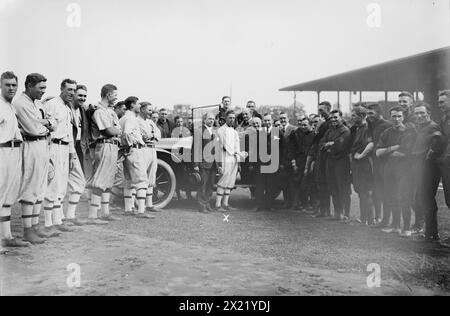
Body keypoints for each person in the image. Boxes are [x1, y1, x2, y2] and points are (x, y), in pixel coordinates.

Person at [13, 73, 58, 243]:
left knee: (40, 186)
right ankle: (27, 229)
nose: (43, 92)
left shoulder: (38, 103)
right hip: (30, 145)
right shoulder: (20, 103)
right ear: (30, 86)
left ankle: (35, 226)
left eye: (44, 88)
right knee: (30, 186)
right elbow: (33, 129)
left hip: (43, 145)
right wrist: (45, 123)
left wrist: (45, 122)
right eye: (40, 88)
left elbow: (54, 123)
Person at [43, 79, 79, 232]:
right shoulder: (52, 104)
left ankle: (57, 220)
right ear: (62, 89)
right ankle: (47, 223)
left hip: (65, 147)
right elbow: (45, 127)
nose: (71, 93)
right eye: (69, 89)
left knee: (61, 185)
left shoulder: (67, 107)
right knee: (52, 184)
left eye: (73, 90)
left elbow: (69, 133)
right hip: (54, 146)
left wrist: (72, 154)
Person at [0, 71, 30, 252]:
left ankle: (7, 236)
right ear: (1, 86)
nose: (11, 88)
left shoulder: (10, 107)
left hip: (13, 151)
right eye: (7, 85)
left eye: (14, 85)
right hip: (2, 151)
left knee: (8, 197)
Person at [376, 107, 416, 236]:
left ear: (403, 117)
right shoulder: (387, 132)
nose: (396, 119)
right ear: (390, 117)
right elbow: (377, 153)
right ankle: (396, 226)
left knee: (404, 197)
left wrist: (387, 151)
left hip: (404, 169)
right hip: (389, 168)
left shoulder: (409, 132)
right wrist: (394, 147)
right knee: (391, 196)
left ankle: (406, 228)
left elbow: (403, 153)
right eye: (393, 116)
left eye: (399, 116)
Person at [86, 84, 121, 224]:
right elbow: (109, 131)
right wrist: (117, 129)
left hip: (112, 146)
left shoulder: (109, 111)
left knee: (107, 181)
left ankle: (105, 213)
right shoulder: (99, 111)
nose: (116, 98)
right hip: (104, 145)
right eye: (115, 95)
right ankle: (93, 215)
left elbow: (116, 129)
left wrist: (116, 129)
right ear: (108, 95)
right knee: (100, 181)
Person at [420, 90, 450, 243]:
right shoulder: (444, 118)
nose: (440, 105)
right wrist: (435, 138)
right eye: (438, 102)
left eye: (442, 102)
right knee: (430, 195)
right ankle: (431, 233)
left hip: (446, 162)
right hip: (441, 162)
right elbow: (442, 138)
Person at [119, 96, 155, 219]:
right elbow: (126, 133)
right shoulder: (130, 118)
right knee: (141, 180)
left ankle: (128, 209)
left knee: (129, 181)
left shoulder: (124, 117)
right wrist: (130, 145)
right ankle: (141, 210)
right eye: (138, 104)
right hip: (134, 150)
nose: (139, 106)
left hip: (127, 151)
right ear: (132, 105)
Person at [410, 102, 441, 235]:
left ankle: (432, 232)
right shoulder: (420, 127)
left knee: (427, 199)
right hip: (419, 168)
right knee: (419, 199)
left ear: (429, 113)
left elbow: (435, 146)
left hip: (429, 169)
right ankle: (426, 229)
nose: (419, 115)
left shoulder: (433, 127)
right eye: (417, 113)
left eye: (422, 112)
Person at [320, 109, 352, 221]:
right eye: (332, 118)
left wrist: (330, 145)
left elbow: (339, 147)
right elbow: (321, 144)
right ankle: (337, 213)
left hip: (341, 163)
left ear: (341, 118)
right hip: (330, 162)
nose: (333, 120)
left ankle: (346, 214)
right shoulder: (329, 131)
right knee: (333, 187)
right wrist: (329, 144)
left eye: (336, 117)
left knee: (343, 188)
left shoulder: (345, 131)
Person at [214, 110, 246, 211]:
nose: (232, 120)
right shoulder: (220, 131)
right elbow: (220, 147)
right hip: (225, 158)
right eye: (230, 118)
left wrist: (240, 157)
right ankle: (218, 205)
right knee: (223, 180)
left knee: (230, 182)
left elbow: (237, 148)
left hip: (234, 159)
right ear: (226, 118)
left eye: (233, 118)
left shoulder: (235, 132)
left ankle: (225, 203)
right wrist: (219, 163)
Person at [366, 103, 391, 226]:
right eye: (367, 113)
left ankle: (386, 219)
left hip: (386, 163)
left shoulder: (387, 125)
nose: (368, 115)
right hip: (375, 163)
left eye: (371, 113)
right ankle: (378, 218)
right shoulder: (372, 125)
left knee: (387, 191)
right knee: (377, 191)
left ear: (379, 113)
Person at [350, 107, 375, 225]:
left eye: (354, 115)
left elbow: (371, 143)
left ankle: (369, 220)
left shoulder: (367, 128)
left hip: (364, 164)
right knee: (360, 191)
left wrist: (361, 156)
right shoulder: (357, 128)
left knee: (366, 192)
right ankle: (364, 218)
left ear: (361, 116)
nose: (352, 117)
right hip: (357, 165)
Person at [137, 101, 161, 213]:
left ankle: (149, 204)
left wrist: (153, 135)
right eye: (149, 109)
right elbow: (145, 135)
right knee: (142, 176)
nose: (150, 112)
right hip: (143, 149)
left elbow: (158, 134)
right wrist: (151, 135)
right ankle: (135, 205)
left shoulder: (151, 121)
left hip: (152, 148)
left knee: (152, 176)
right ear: (142, 109)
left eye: (151, 110)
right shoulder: (137, 120)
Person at [193, 112, 218, 213]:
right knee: (203, 184)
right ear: (204, 120)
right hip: (203, 163)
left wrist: (219, 164)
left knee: (210, 185)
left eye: (213, 119)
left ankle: (207, 204)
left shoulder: (215, 131)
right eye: (209, 119)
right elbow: (196, 149)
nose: (212, 121)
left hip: (213, 163)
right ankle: (201, 206)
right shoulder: (199, 131)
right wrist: (195, 164)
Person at [254, 113, 279, 212]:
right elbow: (255, 148)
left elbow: (282, 148)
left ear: (272, 121)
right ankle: (259, 205)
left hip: (273, 164)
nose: (267, 122)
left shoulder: (277, 132)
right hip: (261, 164)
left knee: (270, 185)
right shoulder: (260, 133)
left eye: (269, 120)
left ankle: (268, 205)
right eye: (265, 121)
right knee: (260, 185)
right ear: (263, 122)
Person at [290, 116, 315, 210]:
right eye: (301, 125)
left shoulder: (314, 135)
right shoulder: (297, 133)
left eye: (305, 125)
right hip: (299, 161)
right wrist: (294, 162)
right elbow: (292, 148)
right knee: (298, 183)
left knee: (308, 184)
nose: (303, 127)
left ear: (311, 125)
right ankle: (297, 203)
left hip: (310, 162)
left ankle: (308, 204)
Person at [314, 101, 333, 217]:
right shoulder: (324, 123)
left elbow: (319, 139)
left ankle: (325, 210)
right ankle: (323, 210)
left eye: (322, 110)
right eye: (319, 110)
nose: (320, 112)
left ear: (328, 110)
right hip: (321, 155)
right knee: (321, 183)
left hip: (326, 157)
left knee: (324, 184)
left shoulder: (328, 124)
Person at [279, 112, 296, 209]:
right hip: (282, 161)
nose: (282, 120)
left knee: (292, 183)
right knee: (284, 183)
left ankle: (294, 203)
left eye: (284, 118)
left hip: (291, 160)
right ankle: (286, 202)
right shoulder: (277, 130)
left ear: (288, 118)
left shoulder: (293, 129)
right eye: (281, 118)